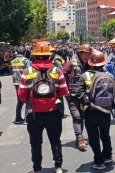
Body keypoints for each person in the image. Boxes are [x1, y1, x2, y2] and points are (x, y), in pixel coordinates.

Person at [18, 41, 69, 173]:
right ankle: (58, 166)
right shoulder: (57, 71)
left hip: (33, 113)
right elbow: (64, 91)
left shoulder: (27, 71)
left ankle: (37, 168)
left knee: (35, 143)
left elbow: (21, 95)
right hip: (53, 112)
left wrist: (31, 101)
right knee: (55, 141)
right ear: (49, 56)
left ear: (34, 56)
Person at [81, 50, 114, 170]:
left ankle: (99, 161)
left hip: (91, 110)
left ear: (91, 63)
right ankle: (108, 155)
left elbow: (79, 93)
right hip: (106, 110)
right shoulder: (109, 75)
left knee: (93, 137)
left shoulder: (85, 75)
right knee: (105, 135)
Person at [61, 43, 92, 151]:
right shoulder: (71, 63)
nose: (87, 56)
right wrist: (66, 90)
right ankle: (79, 138)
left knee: (82, 116)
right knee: (77, 116)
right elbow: (61, 75)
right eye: (86, 54)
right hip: (72, 95)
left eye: (89, 54)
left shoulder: (89, 64)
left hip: (84, 95)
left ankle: (80, 137)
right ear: (81, 53)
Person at [10, 47, 31, 124]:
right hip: (24, 82)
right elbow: (29, 71)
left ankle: (18, 118)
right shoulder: (25, 60)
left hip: (16, 83)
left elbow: (11, 71)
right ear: (24, 53)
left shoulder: (13, 61)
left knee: (20, 100)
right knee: (28, 99)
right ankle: (26, 118)